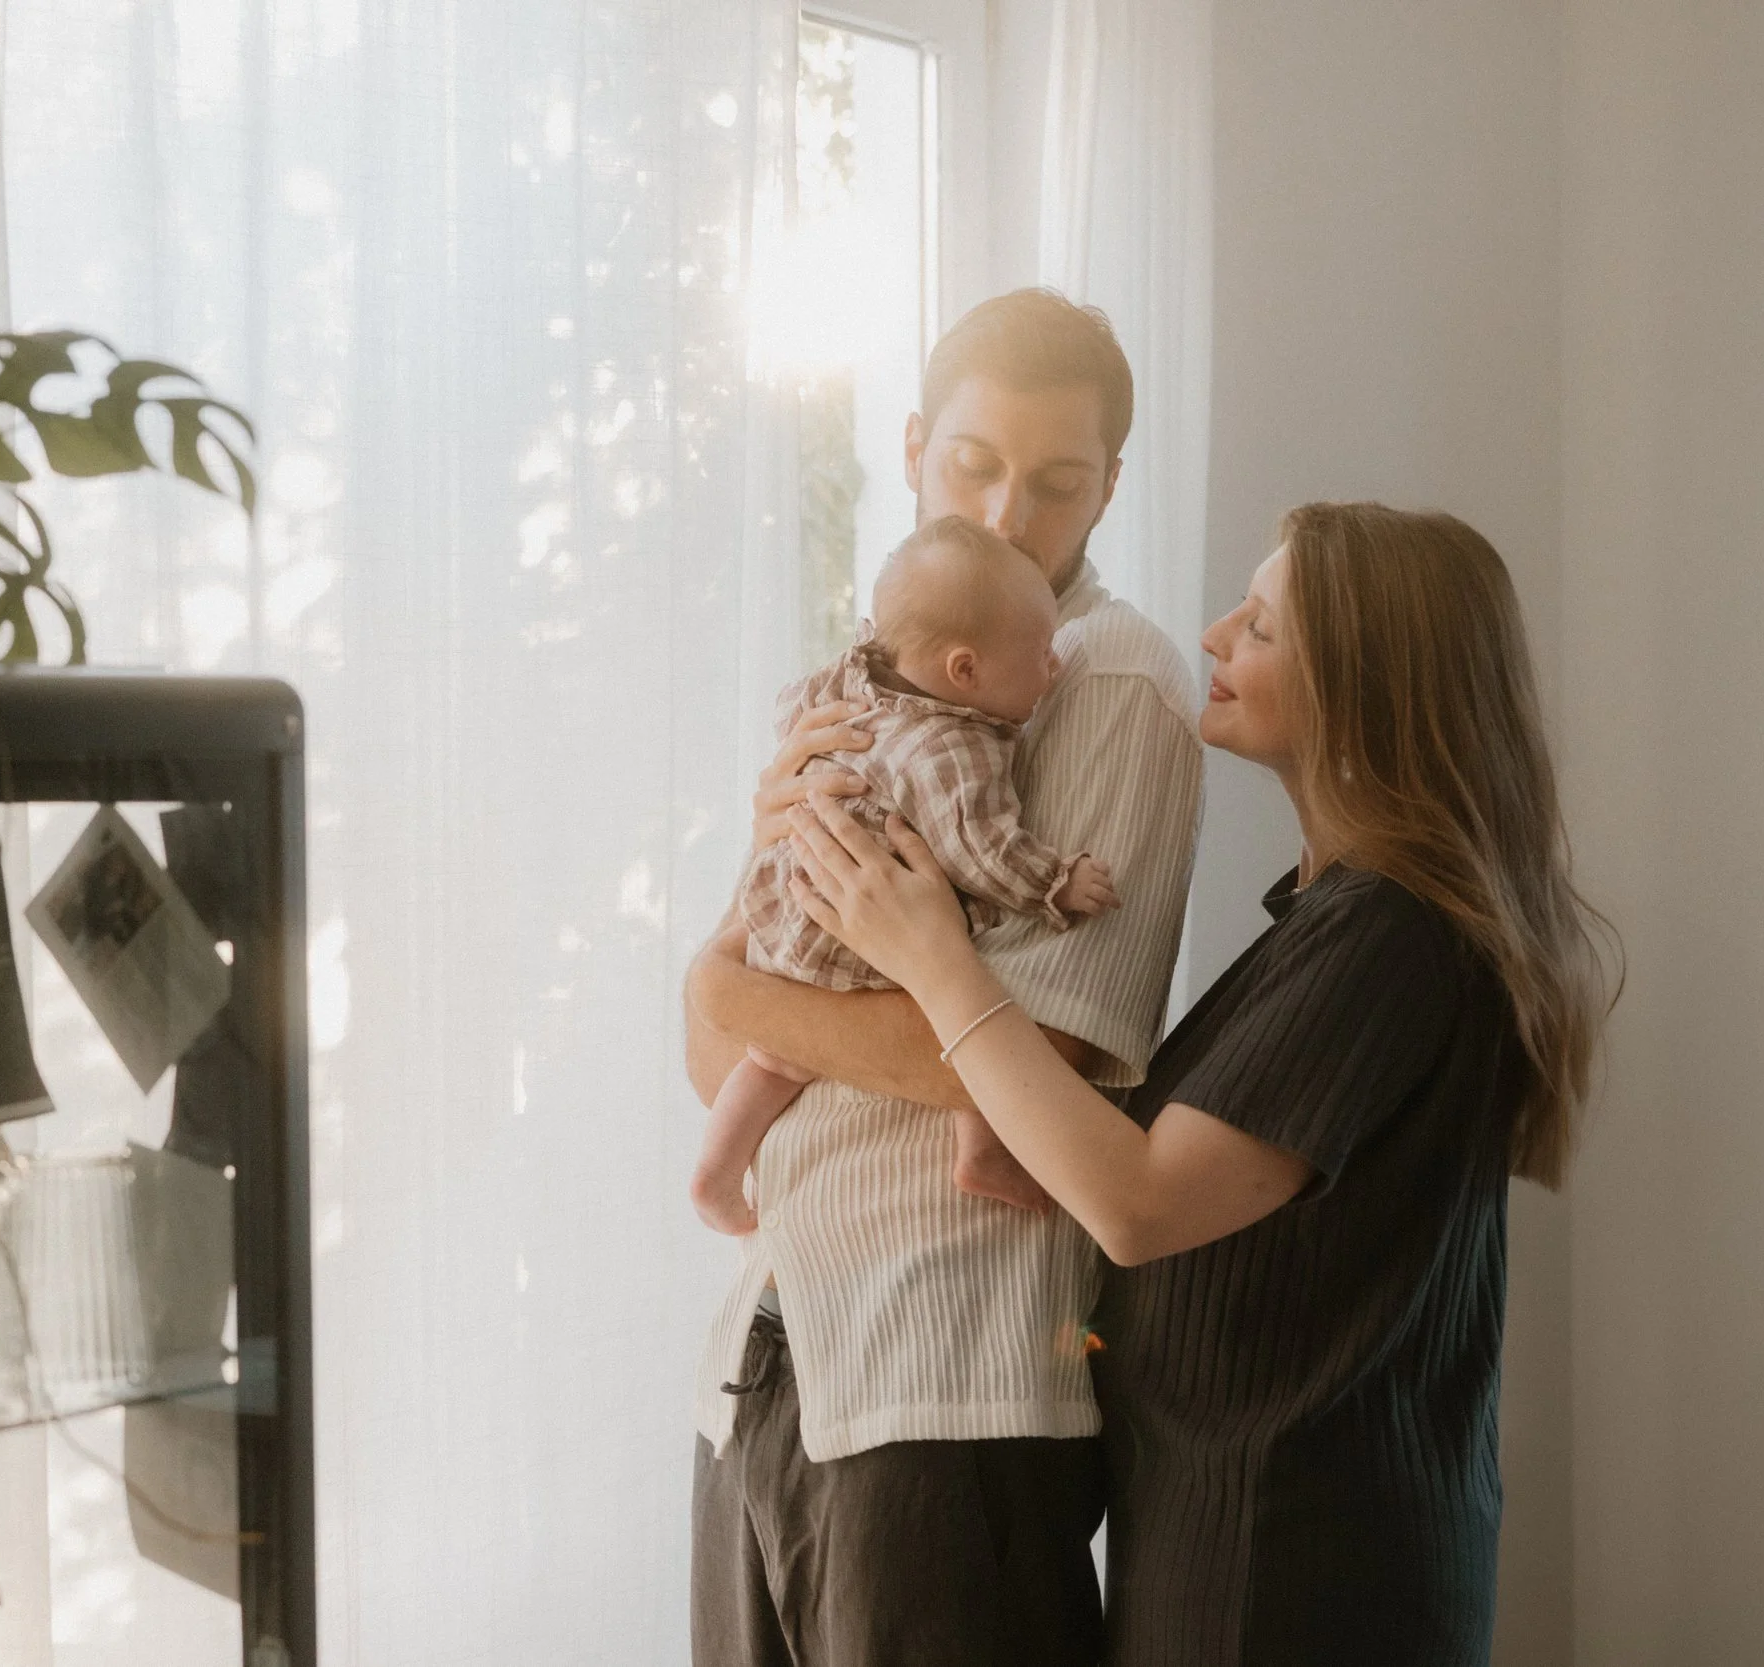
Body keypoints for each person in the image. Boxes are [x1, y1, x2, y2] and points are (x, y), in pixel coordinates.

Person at [782, 502, 1616, 1666]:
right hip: (1252, 1539)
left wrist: (933, 957)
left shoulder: (1392, 934)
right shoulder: (1334, 919)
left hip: (1297, 1569)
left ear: (1359, 687)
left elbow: (1140, 1202)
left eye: (1262, 625)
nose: (1216, 634)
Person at [683, 290, 1204, 1666]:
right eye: (974, 462)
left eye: (1057, 482)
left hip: (947, 1387)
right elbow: (714, 1050)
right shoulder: (862, 685)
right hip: (765, 1364)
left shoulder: (1107, 686)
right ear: (913, 447)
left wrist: (738, 995)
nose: (1011, 510)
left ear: (1108, 491)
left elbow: (1036, 1067)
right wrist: (734, 988)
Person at [690, 515, 1122, 1236]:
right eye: (1042, 653)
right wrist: (1055, 882)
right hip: (849, 937)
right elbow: (985, 846)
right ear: (965, 671)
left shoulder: (851, 677)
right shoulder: (956, 748)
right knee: (968, 966)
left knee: (774, 1057)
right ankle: (981, 1148)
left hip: (786, 907)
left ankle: (713, 1173)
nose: (1055, 667)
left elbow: (790, 705)